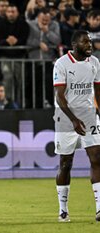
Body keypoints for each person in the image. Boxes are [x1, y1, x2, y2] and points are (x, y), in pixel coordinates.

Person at [53, 30, 100, 222]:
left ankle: (99, 209)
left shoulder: (95, 63)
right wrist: (73, 119)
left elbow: (98, 92)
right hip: (66, 118)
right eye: (85, 42)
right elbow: (60, 96)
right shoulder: (62, 64)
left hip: (89, 116)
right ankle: (63, 209)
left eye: (90, 41)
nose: (89, 45)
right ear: (74, 44)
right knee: (66, 163)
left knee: (97, 157)